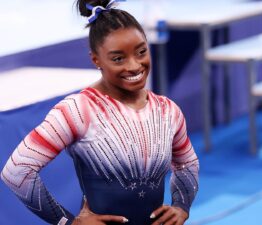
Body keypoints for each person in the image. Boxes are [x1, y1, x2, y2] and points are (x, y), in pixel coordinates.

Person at [1, 0, 199, 224]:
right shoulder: (78, 110)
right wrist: (66, 221)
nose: (134, 66)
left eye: (141, 52)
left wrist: (181, 205)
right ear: (96, 59)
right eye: (118, 58)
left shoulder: (167, 110)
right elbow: (17, 171)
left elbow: (187, 163)